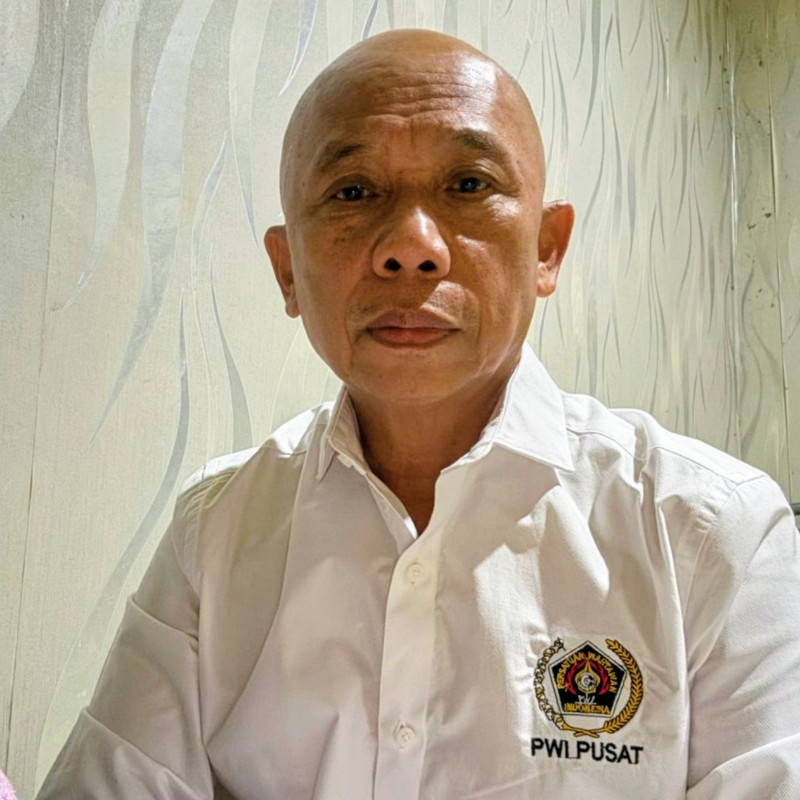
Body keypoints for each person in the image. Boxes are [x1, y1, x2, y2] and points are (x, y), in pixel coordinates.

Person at [38, 28, 799, 800]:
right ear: (287, 270)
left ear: (546, 249)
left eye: (467, 184)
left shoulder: (711, 533)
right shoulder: (216, 531)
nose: (411, 246)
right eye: (353, 192)